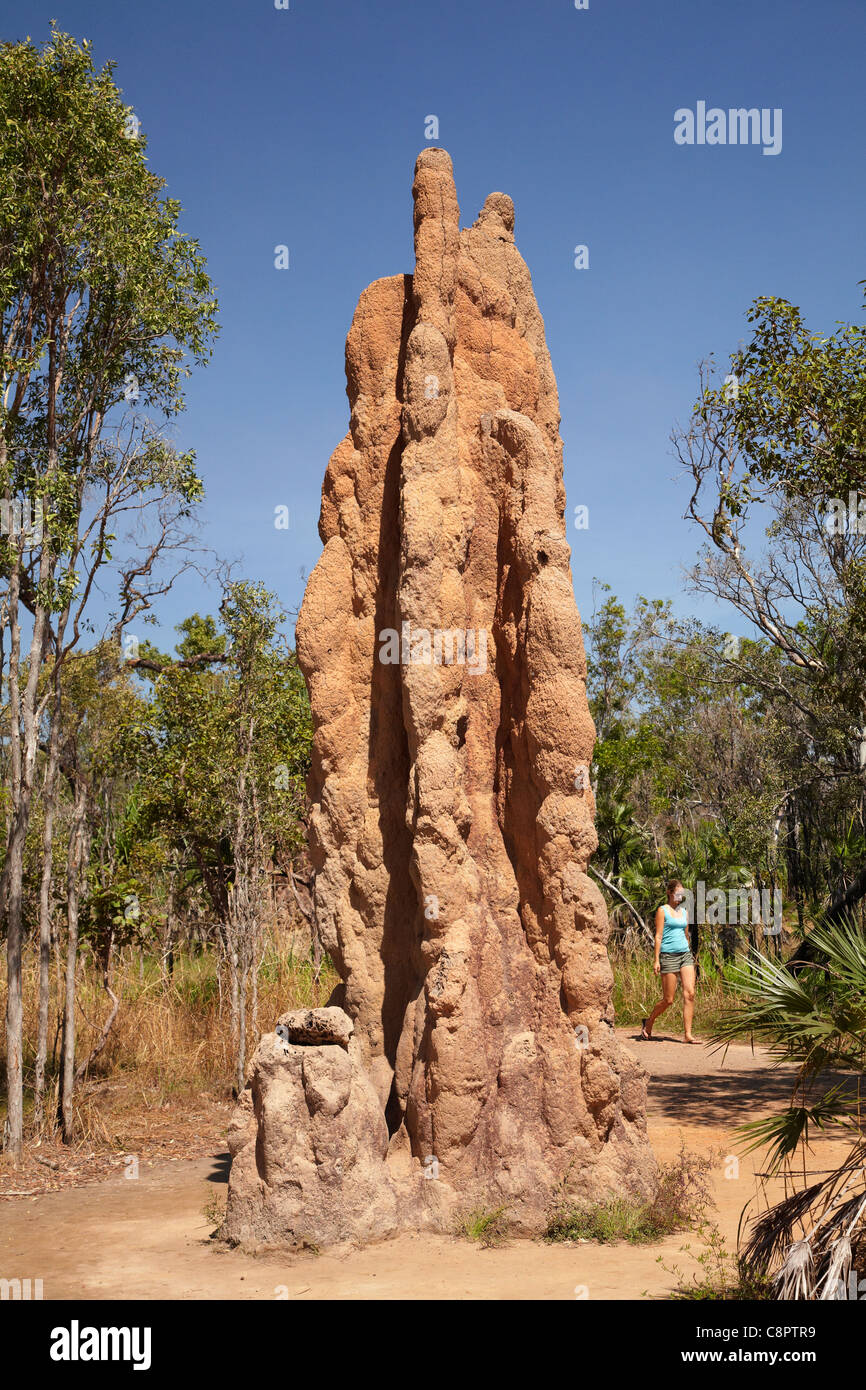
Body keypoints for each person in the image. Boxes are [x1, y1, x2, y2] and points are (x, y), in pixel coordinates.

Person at [640, 877, 697, 1044]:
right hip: (668, 956)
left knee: (690, 993)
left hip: (684, 955)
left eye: (682, 894)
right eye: (678, 894)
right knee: (668, 1000)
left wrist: (688, 951)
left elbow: (686, 934)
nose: (680, 897)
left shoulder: (684, 912)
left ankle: (687, 1035)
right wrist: (656, 960)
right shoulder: (662, 910)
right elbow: (658, 936)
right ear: (670, 893)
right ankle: (649, 1021)